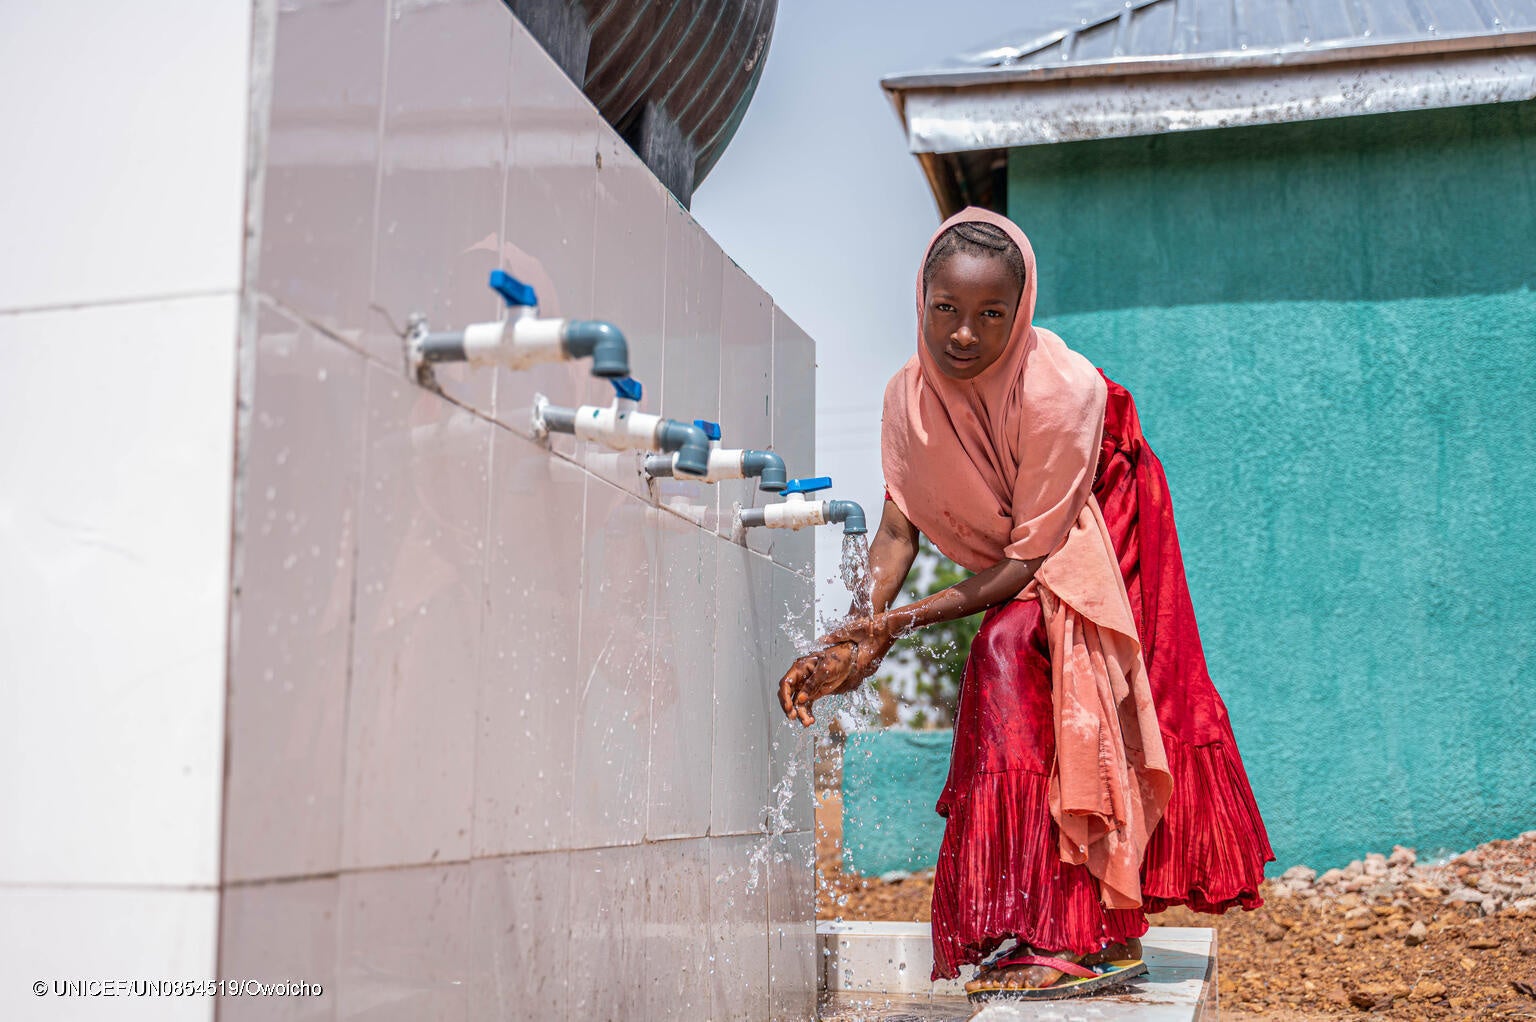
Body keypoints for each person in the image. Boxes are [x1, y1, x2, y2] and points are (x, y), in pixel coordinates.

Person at [779, 208, 1272, 1002]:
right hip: (1039, 544)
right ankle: (1034, 923)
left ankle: (1095, 938)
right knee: (1014, 674)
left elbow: (1022, 566)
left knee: (1028, 666)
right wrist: (854, 632)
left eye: (990, 315)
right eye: (947, 310)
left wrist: (895, 626)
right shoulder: (909, 396)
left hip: (1104, 527)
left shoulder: (1059, 391)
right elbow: (899, 531)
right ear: (921, 303)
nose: (964, 336)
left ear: (1021, 309)